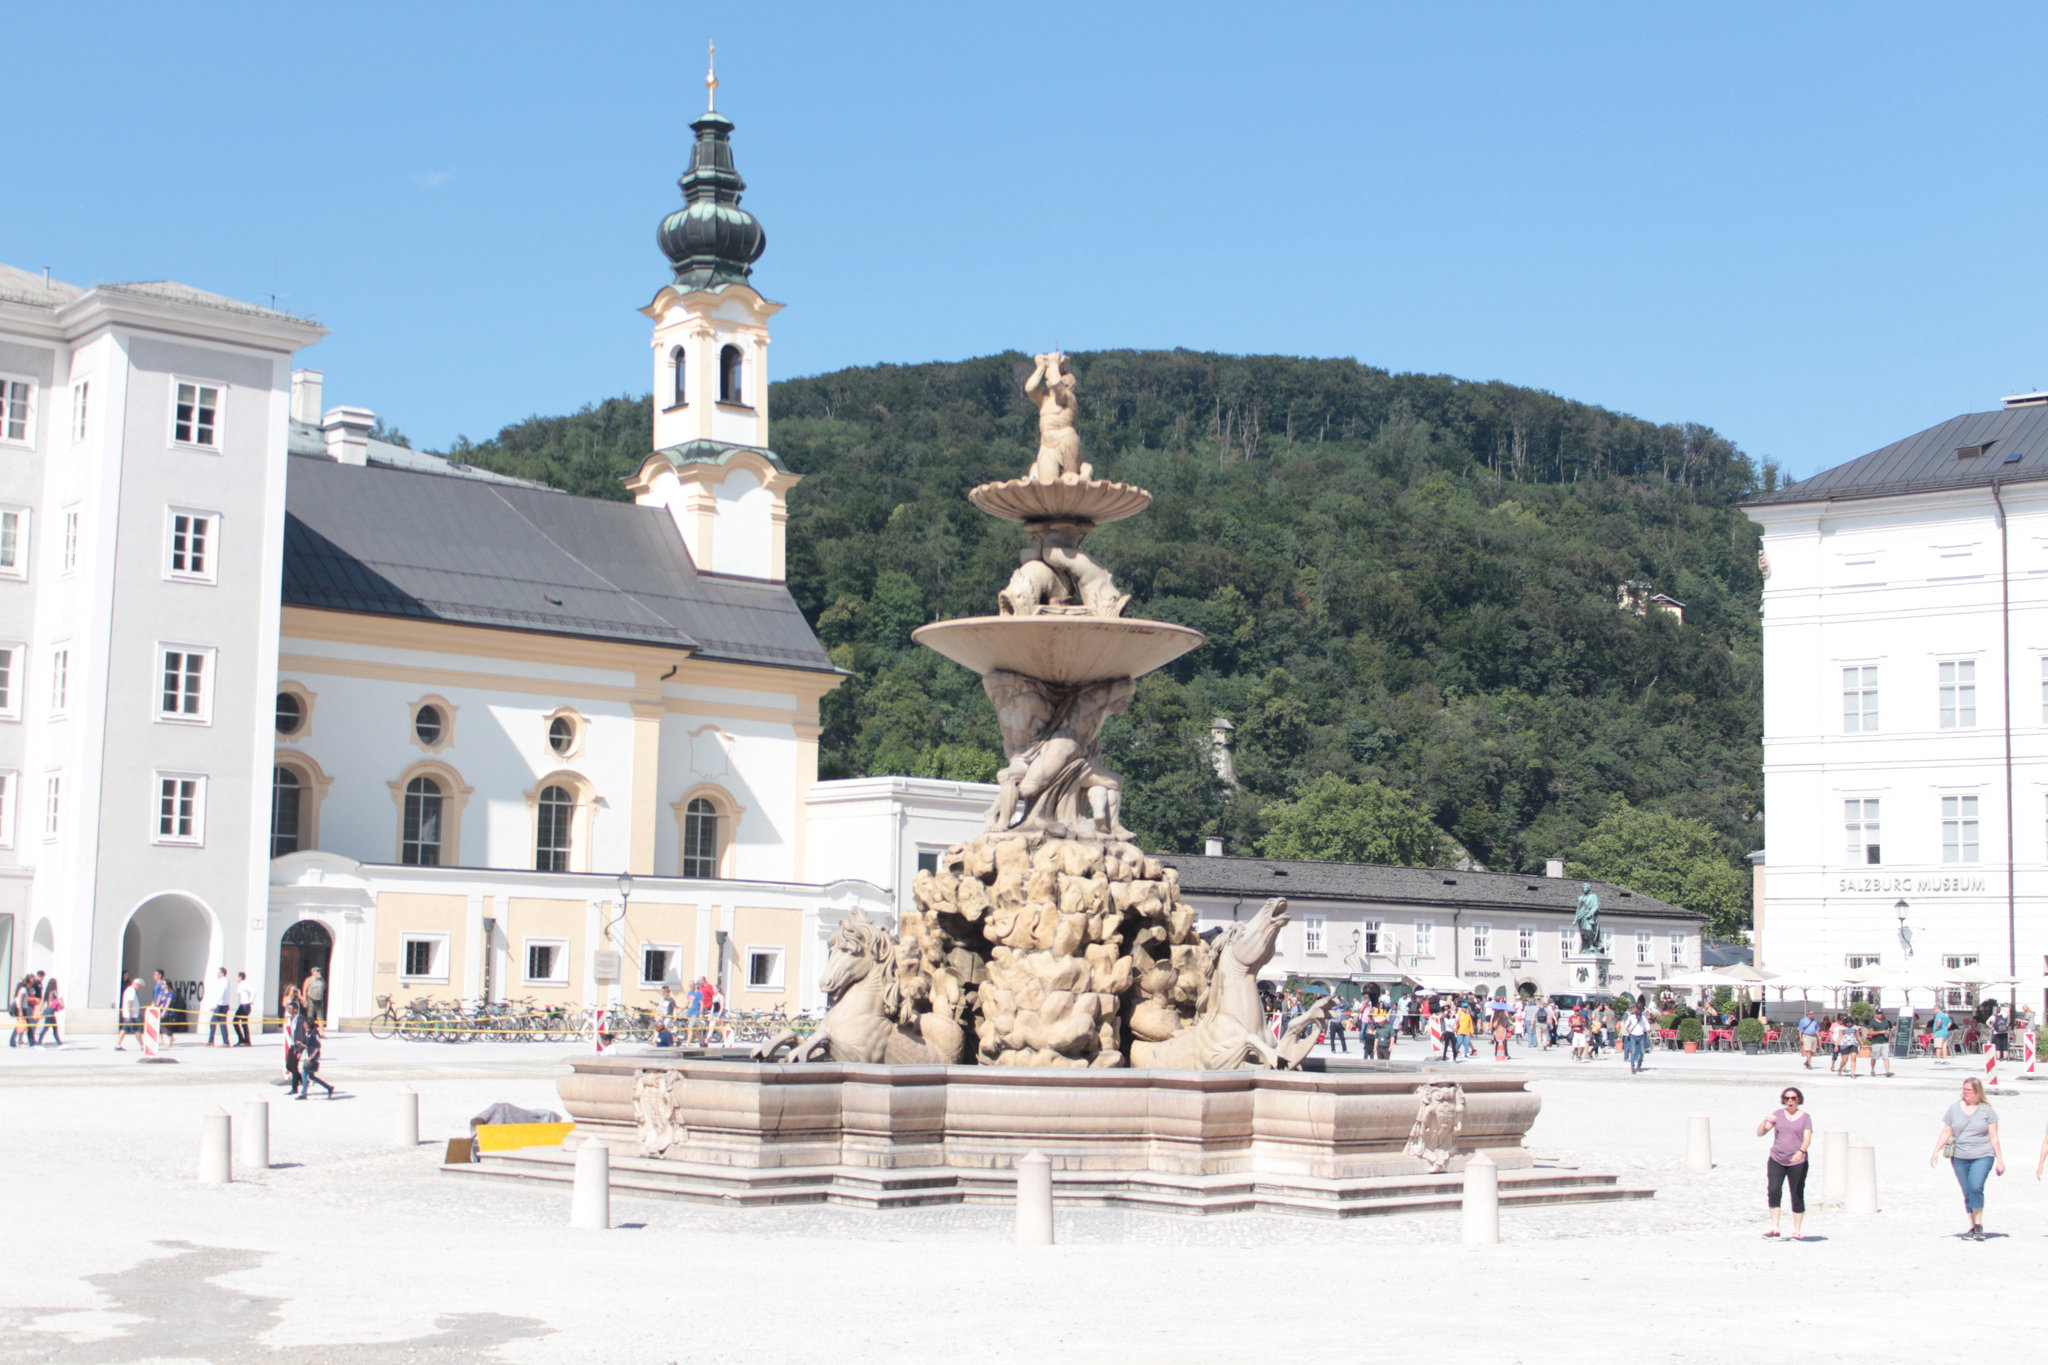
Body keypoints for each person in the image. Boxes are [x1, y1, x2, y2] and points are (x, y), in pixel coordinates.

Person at [1931, 1078, 2004, 1239]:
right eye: (1964, 1089)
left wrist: (2000, 1160)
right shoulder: (1954, 1109)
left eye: (1969, 1090)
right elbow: (1947, 1131)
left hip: (1983, 1155)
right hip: (1960, 1156)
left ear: (1977, 1092)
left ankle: (1978, 1225)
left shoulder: (1987, 1111)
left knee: (1975, 1186)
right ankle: (1973, 1226)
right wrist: (1936, 1150)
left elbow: (1994, 1137)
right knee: (1967, 1191)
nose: (1965, 1093)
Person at [1759, 1086, 1813, 1240]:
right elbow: (1760, 1133)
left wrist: (1800, 1151)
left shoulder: (1805, 1117)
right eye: (1787, 1098)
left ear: (1798, 1100)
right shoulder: (1777, 1115)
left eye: (1793, 1098)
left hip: (1798, 1161)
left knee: (1796, 1193)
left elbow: (1807, 1138)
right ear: (1784, 1100)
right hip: (1777, 1158)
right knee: (1774, 1190)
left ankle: (1797, 1230)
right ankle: (1774, 1228)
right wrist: (1765, 1121)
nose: (1790, 1101)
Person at [295, 1011, 335, 1100]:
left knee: (305, 1074)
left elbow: (317, 1046)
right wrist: (302, 1045)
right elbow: (310, 1046)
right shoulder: (309, 1033)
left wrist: (310, 1057)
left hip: (313, 1057)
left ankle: (304, 1094)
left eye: (305, 1024)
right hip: (310, 1056)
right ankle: (329, 1087)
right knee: (311, 1076)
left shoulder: (314, 1033)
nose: (303, 1025)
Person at [204, 967, 232, 1047]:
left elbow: (221, 994)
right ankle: (212, 1041)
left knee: (218, 1023)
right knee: (215, 1023)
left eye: (219, 972)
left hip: (221, 1005)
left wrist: (215, 1005)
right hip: (221, 1005)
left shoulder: (224, 982)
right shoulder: (222, 981)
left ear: (222, 973)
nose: (218, 974)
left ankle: (225, 1042)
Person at [1622, 1000, 1650, 1074]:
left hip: (1641, 1036)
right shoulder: (1631, 1017)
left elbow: (1647, 1025)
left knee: (1642, 1052)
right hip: (1633, 1036)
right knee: (1633, 1052)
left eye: (1639, 1016)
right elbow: (1626, 1025)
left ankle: (1639, 1066)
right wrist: (1629, 1030)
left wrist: (1648, 1031)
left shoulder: (1643, 1018)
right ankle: (1633, 1067)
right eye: (1637, 1016)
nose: (1638, 1017)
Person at [116, 973, 142, 1051]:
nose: (139, 988)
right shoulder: (131, 991)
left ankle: (118, 1045)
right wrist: (130, 1013)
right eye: (140, 986)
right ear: (137, 984)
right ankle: (143, 1045)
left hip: (129, 1014)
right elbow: (129, 1002)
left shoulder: (129, 989)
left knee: (124, 1030)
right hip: (131, 1015)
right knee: (136, 1030)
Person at [150, 970, 174, 1048]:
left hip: (168, 1012)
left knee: (166, 1027)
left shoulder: (170, 993)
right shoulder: (162, 992)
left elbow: (167, 1003)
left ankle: (170, 1040)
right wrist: (155, 1006)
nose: (162, 985)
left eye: (163, 984)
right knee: (160, 1025)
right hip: (161, 1010)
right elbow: (158, 999)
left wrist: (163, 1012)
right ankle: (162, 1039)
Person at [36, 977, 62, 1047]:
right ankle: (39, 1043)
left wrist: (39, 1010)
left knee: (52, 1028)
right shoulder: (53, 992)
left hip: (47, 1010)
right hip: (51, 1011)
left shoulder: (47, 992)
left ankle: (60, 1043)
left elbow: (43, 1002)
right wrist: (59, 1001)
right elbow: (51, 1003)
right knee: (49, 1028)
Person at [1867, 1012, 1893, 1077]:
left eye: (1881, 1014)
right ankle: (1872, 1069)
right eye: (1878, 1014)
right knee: (1874, 1057)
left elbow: (1889, 1030)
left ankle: (1887, 1071)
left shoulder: (1885, 1022)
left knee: (1886, 1057)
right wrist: (1880, 1032)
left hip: (1884, 1042)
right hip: (1876, 1042)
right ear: (1876, 1014)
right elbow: (1871, 1032)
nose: (1880, 1015)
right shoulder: (1872, 1022)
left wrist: (1888, 1033)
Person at [232, 972, 254, 1047]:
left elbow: (253, 991)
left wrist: (251, 1001)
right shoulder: (240, 985)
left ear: (240, 977)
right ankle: (241, 1039)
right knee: (235, 1021)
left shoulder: (245, 984)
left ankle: (247, 1041)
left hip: (246, 1005)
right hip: (241, 1005)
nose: (236, 978)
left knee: (244, 1023)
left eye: (237, 977)